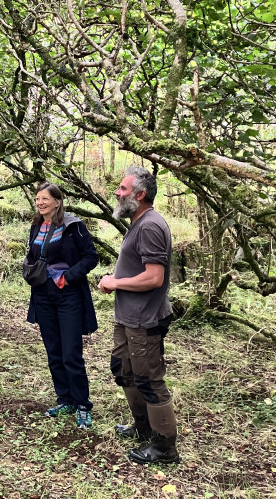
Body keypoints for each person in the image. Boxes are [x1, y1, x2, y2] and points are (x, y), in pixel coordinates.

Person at [98, 166, 179, 464]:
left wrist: (115, 282)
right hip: (127, 316)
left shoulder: (150, 226)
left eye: (122, 189)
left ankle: (164, 446)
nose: (117, 193)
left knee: (148, 379)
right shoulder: (138, 222)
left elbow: (154, 277)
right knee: (123, 371)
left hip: (145, 320)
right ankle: (143, 428)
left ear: (140, 195)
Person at [25, 182, 99, 430]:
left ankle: (82, 406)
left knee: (71, 353)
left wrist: (68, 277)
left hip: (68, 295)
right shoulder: (37, 225)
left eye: (45, 198)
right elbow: (32, 255)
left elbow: (91, 257)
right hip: (43, 295)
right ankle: (65, 399)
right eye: (37, 199)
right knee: (54, 350)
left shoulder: (72, 225)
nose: (40, 203)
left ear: (57, 201)